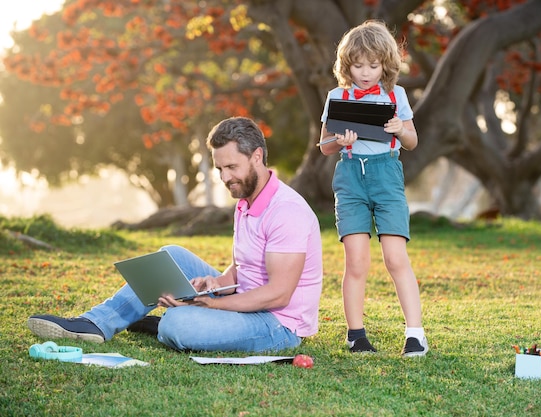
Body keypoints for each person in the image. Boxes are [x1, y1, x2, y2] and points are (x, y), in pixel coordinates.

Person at [27, 116, 324, 353]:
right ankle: (95, 323)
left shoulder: (286, 211)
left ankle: (176, 323)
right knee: (172, 256)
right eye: (220, 168)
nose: (225, 178)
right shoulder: (246, 201)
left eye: (232, 167)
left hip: (278, 324)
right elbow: (242, 269)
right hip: (246, 301)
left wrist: (212, 303)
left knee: (177, 326)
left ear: (257, 156)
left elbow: (278, 293)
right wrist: (216, 285)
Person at [319, 20, 427, 357]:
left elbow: (411, 141)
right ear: (346, 65)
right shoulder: (338, 96)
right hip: (351, 178)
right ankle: (357, 335)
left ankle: (415, 334)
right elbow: (324, 145)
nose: (365, 72)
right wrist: (339, 141)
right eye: (358, 65)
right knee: (357, 262)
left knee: (396, 257)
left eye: (373, 65)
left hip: (386, 176)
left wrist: (400, 129)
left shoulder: (396, 95)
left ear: (386, 64)